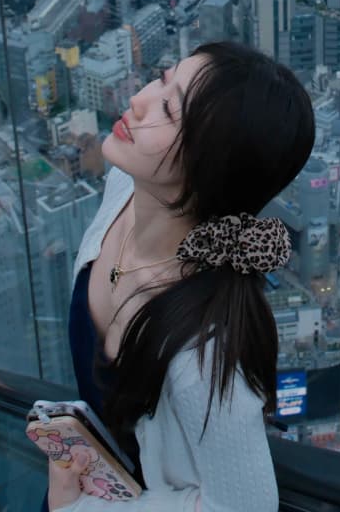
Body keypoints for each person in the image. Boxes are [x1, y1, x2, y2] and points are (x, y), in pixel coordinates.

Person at [45, 42, 315, 511]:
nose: (138, 100)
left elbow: (244, 507)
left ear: (211, 166)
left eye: (169, 111)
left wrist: (81, 508)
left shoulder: (203, 350)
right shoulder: (123, 188)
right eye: (161, 80)